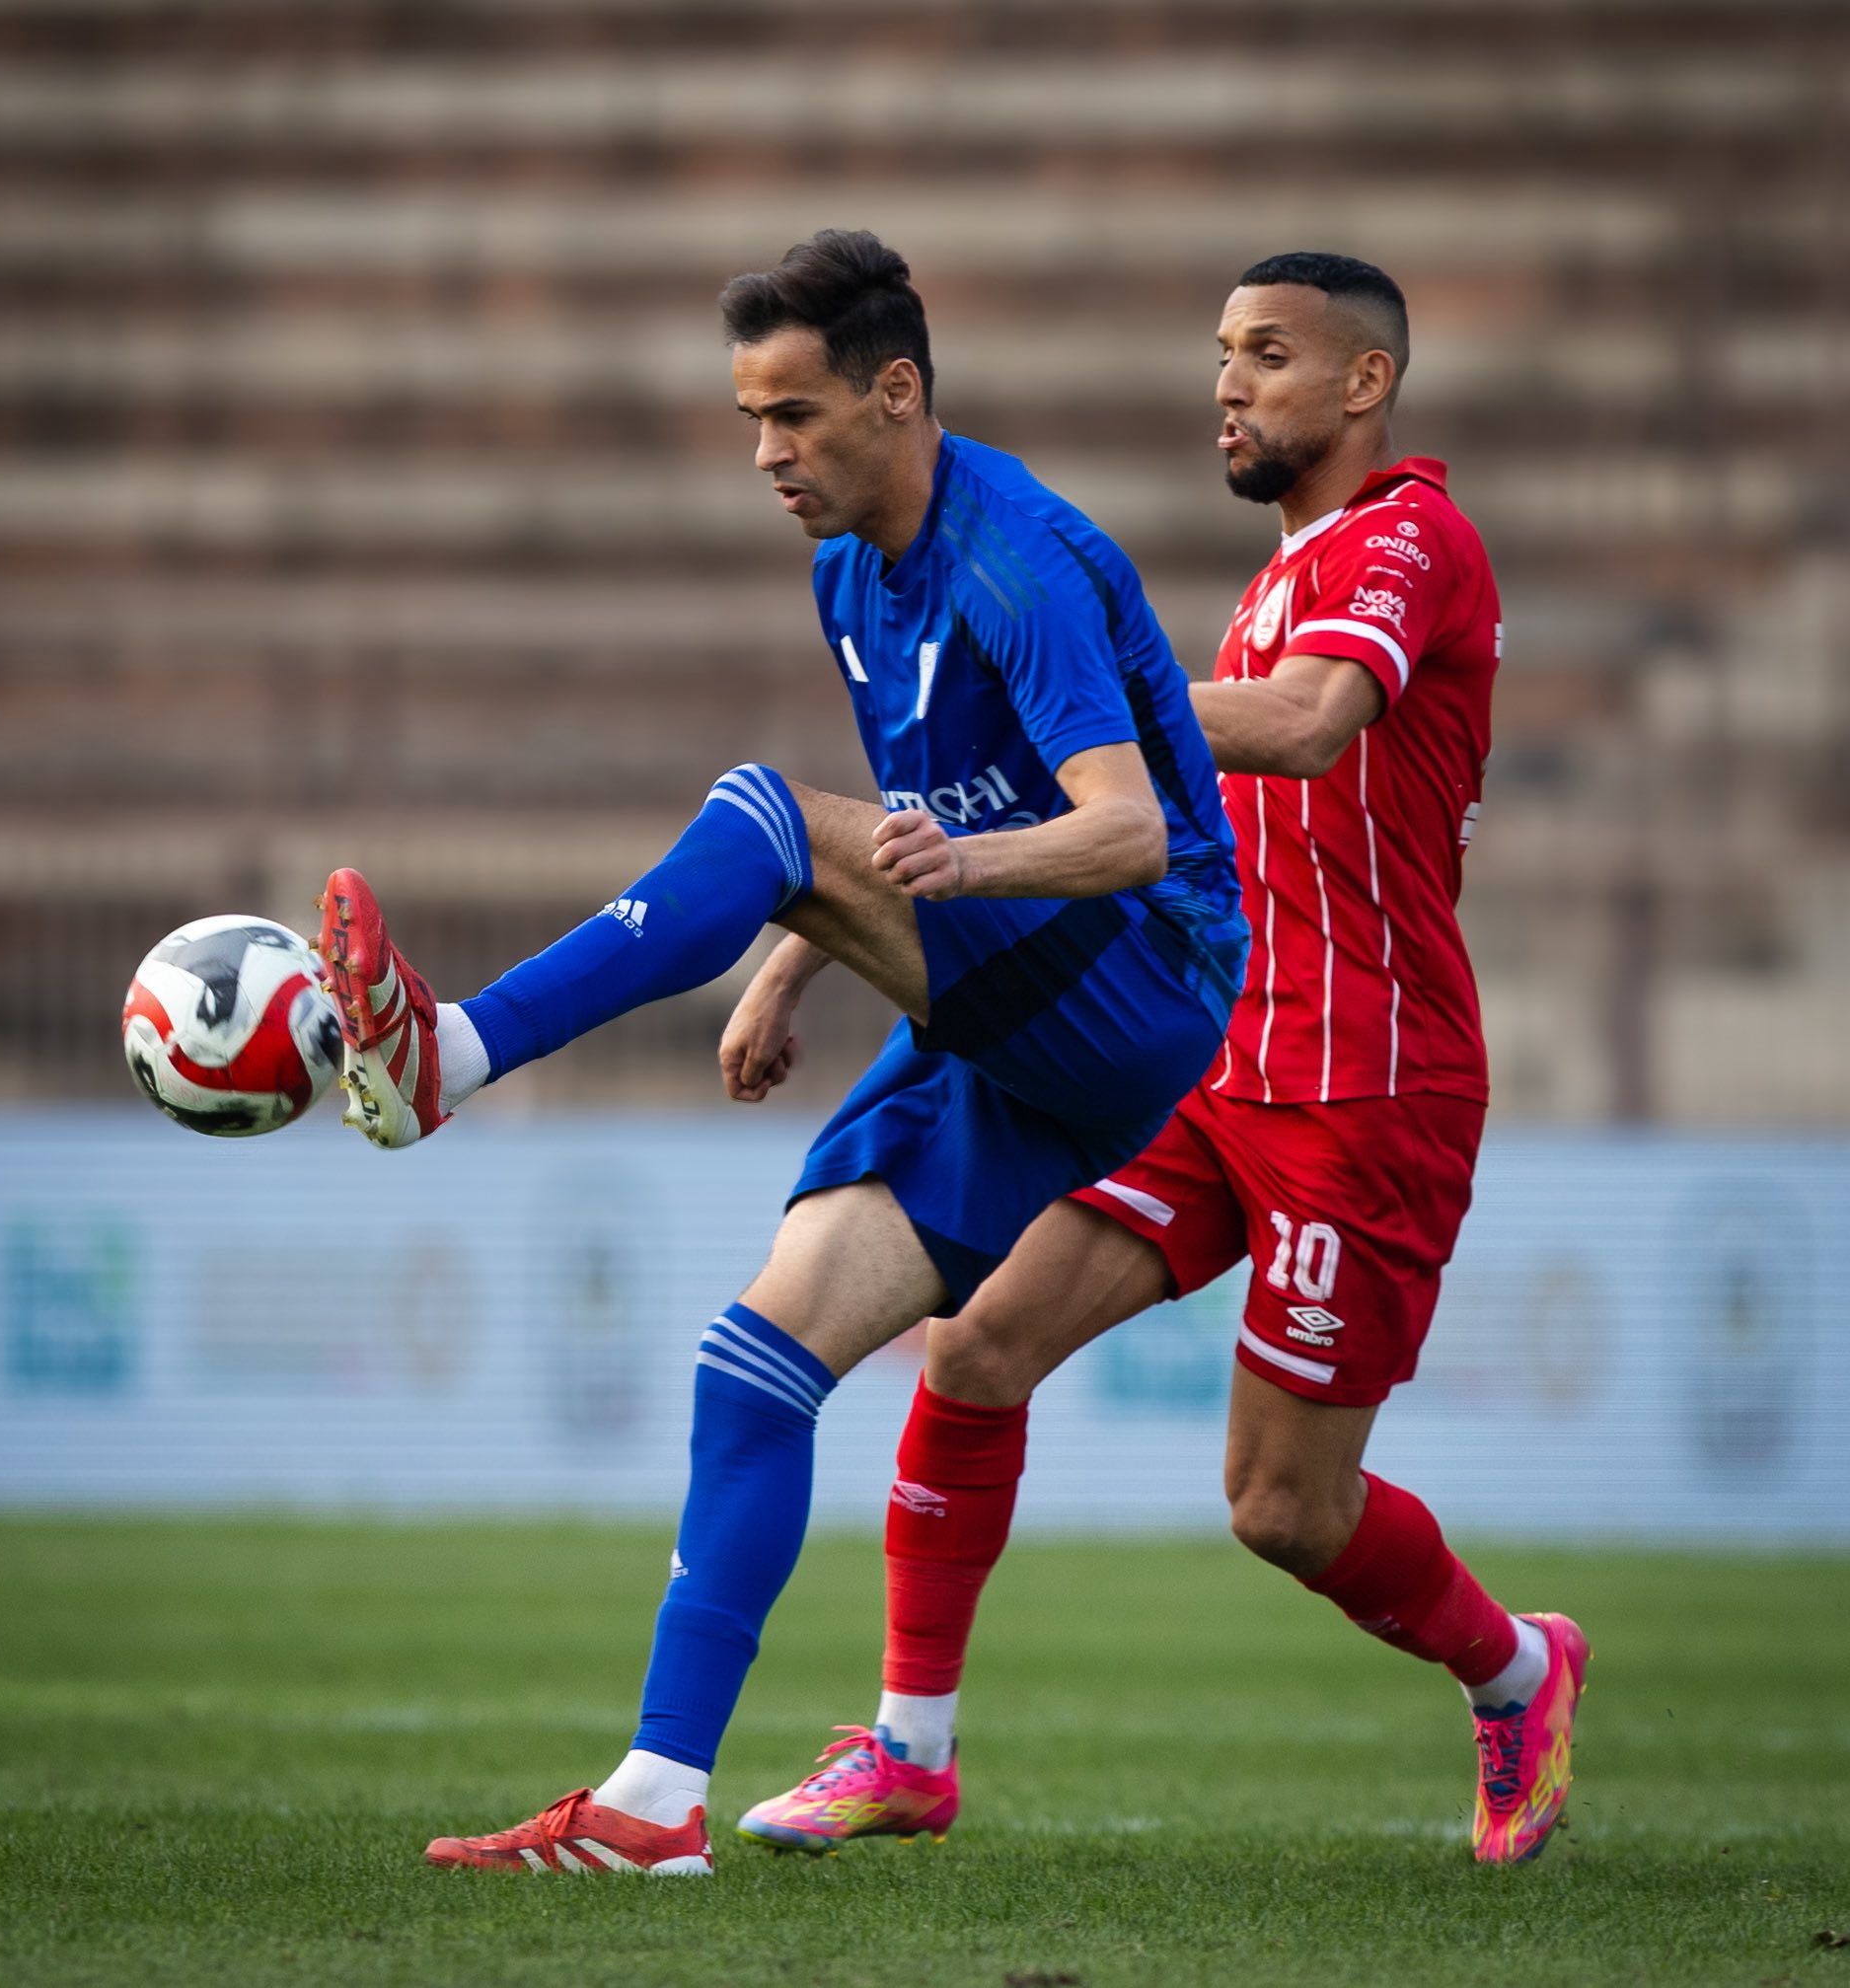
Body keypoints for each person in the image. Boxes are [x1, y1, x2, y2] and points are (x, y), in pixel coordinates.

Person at [315, 229, 1248, 1876]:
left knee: (760, 807)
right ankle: (654, 1803)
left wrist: (920, 876)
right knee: (755, 1364)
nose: (767, 453)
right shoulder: (847, 575)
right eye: (751, 417)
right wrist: (792, 961)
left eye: (795, 415)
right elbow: (914, 817)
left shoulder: (1018, 561)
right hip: (1012, 1023)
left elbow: (1123, 834)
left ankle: (451, 1055)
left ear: (897, 394)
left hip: (1145, 979)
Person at [737, 252, 1589, 1870]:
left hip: (1367, 1082)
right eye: (1221, 352)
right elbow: (1055, 818)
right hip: (1212, 1060)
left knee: (1282, 1509)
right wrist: (801, 949)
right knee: (974, 1347)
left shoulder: (1410, 539)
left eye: (1267, 354)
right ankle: (909, 1748)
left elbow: (1312, 721)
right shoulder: (1275, 580)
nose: (1228, 385)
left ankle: (1516, 1668)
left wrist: (1088, 693)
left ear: (1365, 382)